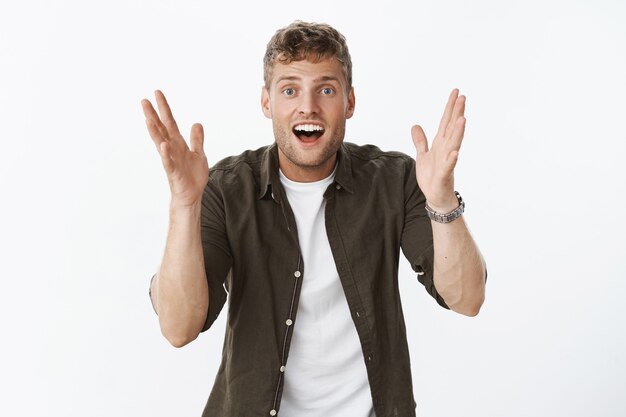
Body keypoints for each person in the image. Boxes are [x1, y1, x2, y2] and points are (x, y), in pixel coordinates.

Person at [142, 21, 486, 417]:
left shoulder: (395, 181)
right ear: (267, 103)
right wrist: (185, 204)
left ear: (350, 102)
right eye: (290, 89)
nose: (308, 106)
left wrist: (442, 199)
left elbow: (467, 299)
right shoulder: (226, 189)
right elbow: (178, 327)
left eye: (326, 89)